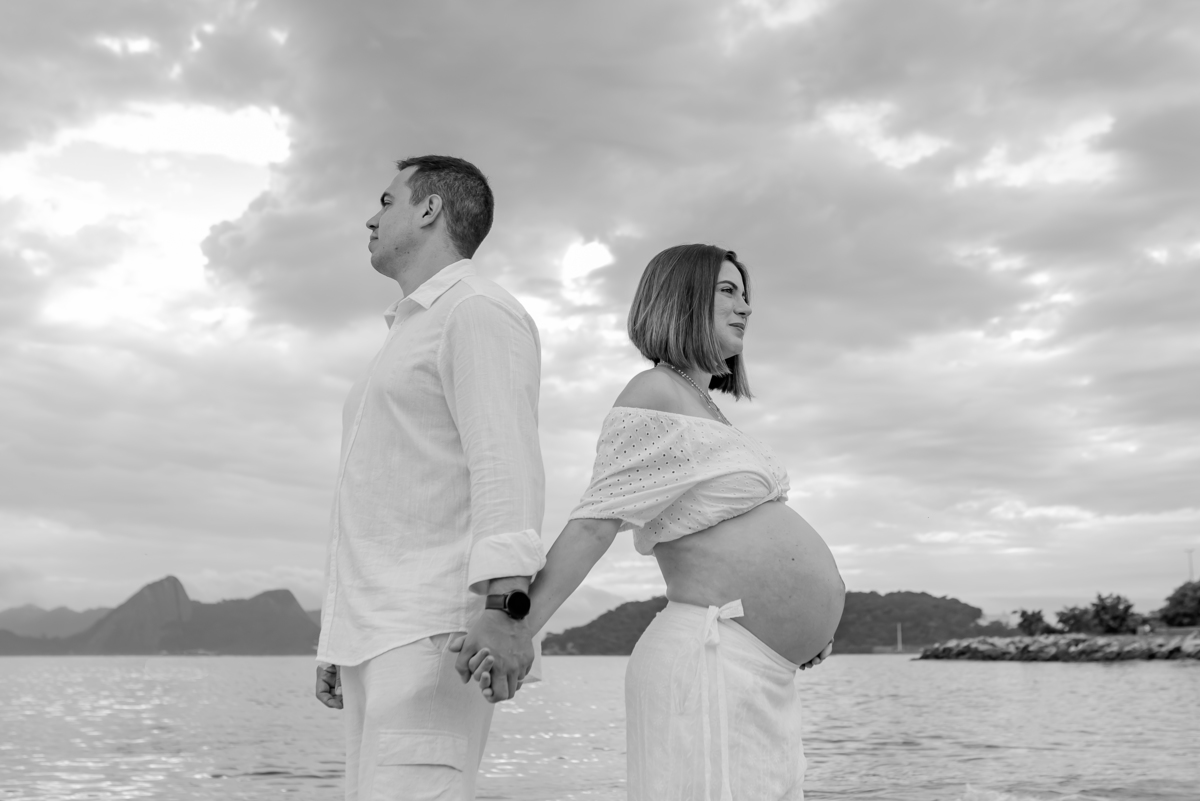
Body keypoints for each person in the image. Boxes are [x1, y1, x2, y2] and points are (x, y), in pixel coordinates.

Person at [459, 243, 846, 800]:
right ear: (682, 298)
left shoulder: (701, 403)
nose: (745, 308)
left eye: (746, 295)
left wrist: (805, 628)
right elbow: (595, 524)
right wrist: (513, 623)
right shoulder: (654, 393)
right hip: (710, 666)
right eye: (727, 291)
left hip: (758, 671)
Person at [314, 155, 546, 801]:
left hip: (431, 635)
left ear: (429, 208)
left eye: (385, 200)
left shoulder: (475, 311)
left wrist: (505, 608)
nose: (370, 215)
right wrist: (338, 636)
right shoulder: (406, 333)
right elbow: (379, 494)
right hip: (377, 637)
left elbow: (506, 463)